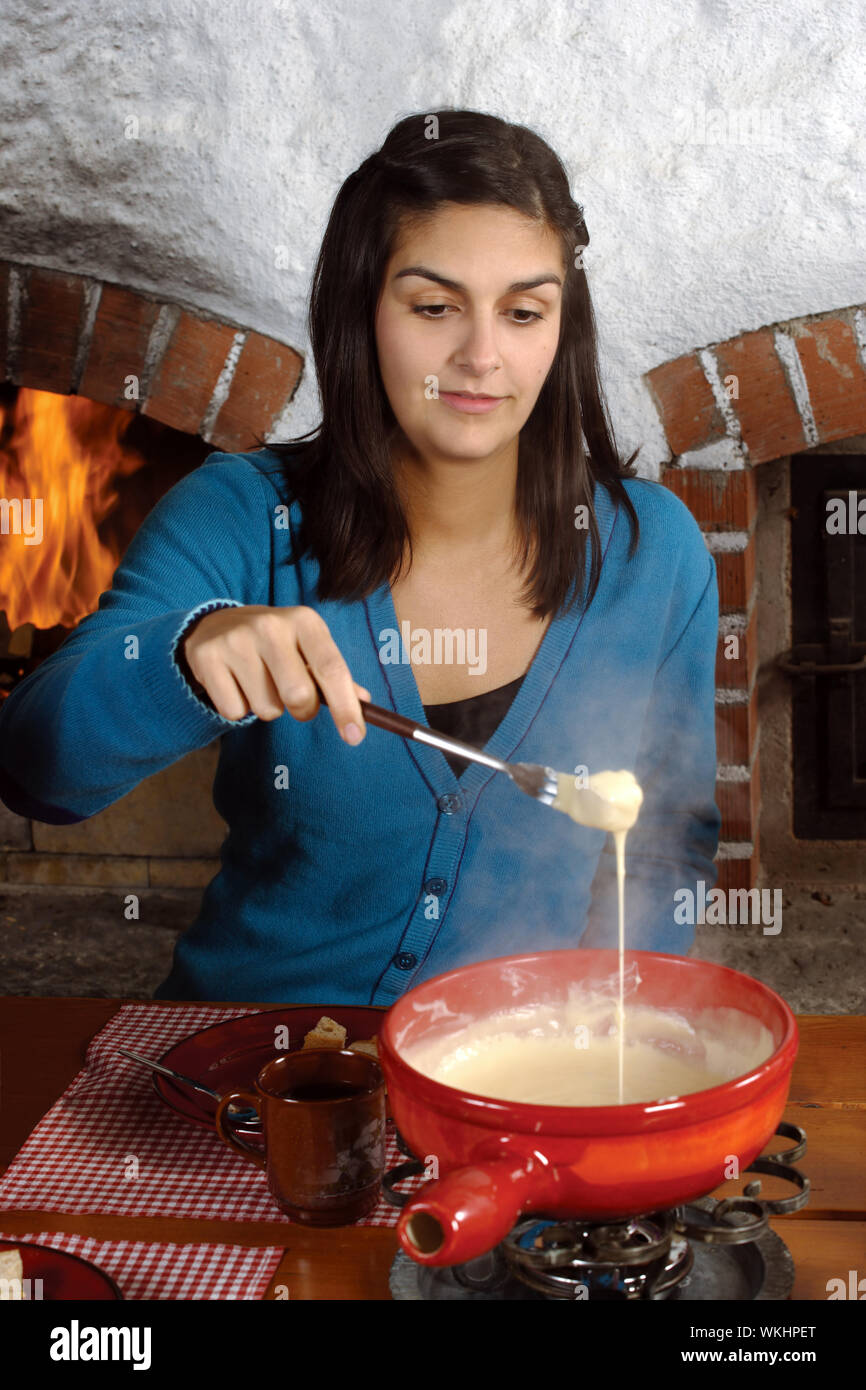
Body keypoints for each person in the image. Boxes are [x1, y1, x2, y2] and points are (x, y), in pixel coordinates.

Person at [0, 109, 721, 1005]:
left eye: (524, 312)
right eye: (433, 307)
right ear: (361, 313)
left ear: (562, 330)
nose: (482, 357)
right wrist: (186, 656)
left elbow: (665, 842)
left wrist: (604, 1027)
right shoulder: (242, 515)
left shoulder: (654, 556)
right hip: (261, 1065)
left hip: (511, 1077)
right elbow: (35, 770)